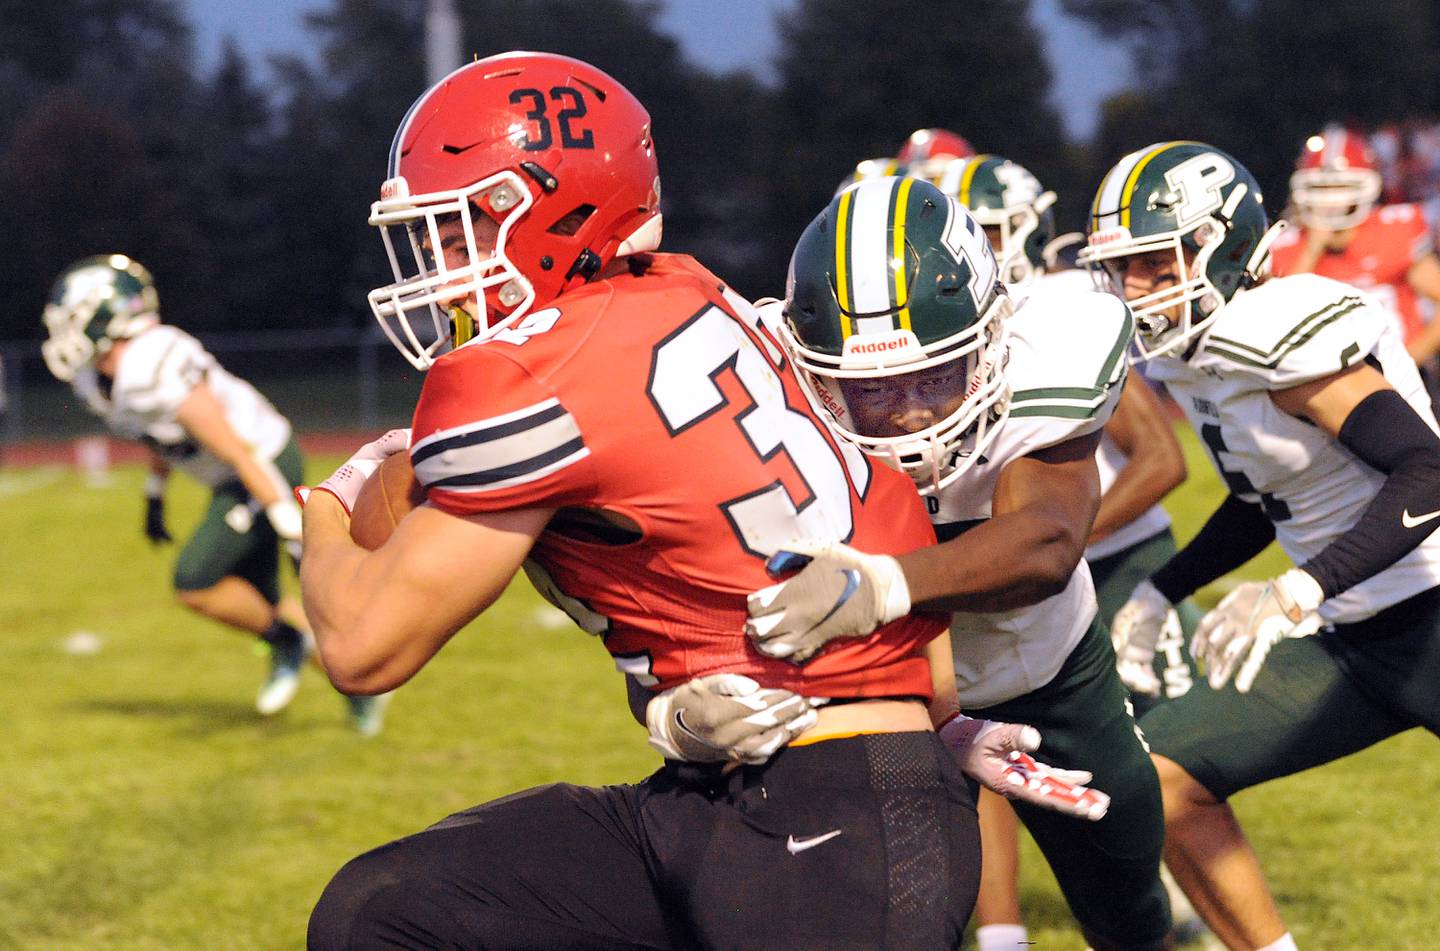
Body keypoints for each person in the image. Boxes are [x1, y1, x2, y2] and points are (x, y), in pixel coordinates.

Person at [300, 51, 1060, 949]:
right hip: (757, 793)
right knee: (387, 909)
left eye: (460, 229)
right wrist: (675, 710)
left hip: (836, 824)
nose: (439, 261)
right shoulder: (695, 295)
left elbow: (362, 647)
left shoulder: (527, 370)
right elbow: (851, 518)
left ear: (558, 213)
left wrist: (326, 502)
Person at [722, 174, 1171, 950]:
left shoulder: (1048, 349)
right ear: (815, 371)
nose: (909, 410)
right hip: (874, 686)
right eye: (872, 388)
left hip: (1051, 674)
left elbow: (1046, 543)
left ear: (994, 335)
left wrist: (885, 583)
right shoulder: (764, 388)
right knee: (876, 907)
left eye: (935, 373)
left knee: (1127, 894)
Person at [1080, 140, 1440, 951]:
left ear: (1222, 245)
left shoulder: (1278, 331)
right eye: (1121, 266)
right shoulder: (1201, 355)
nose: (1134, 287)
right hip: (1353, 638)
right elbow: (1261, 498)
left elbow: (1426, 469)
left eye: (1150, 261)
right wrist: (1158, 589)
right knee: (1158, 780)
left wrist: (1297, 589)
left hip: (1427, 609)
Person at [931, 153, 1206, 949]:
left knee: (1155, 760)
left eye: (986, 232)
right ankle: (1006, 930)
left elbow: (1161, 459)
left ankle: (1168, 908)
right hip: (992, 573)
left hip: (1100, 559)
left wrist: (1045, 543)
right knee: (985, 742)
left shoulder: (1061, 319)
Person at [39, 254, 385, 734]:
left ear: (110, 315)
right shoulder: (96, 380)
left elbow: (237, 448)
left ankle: (292, 644)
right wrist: (155, 492)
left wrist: (286, 517)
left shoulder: (153, 362)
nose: (64, 332)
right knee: (262, 599)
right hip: (235, 476)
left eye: (73, 319)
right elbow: (159, 434)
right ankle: (360, 686)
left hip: (262, 464)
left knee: (195, 579)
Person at [1271, 126, 1440, 406]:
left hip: (1408, 375)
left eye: (1341, 187)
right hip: (1325, 384)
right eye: (1323, 187)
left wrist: (1408, 360)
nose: (1331, 199)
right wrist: (1313, 248)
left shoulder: (1392, 230)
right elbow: (1279, 317)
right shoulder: (1288, 245)